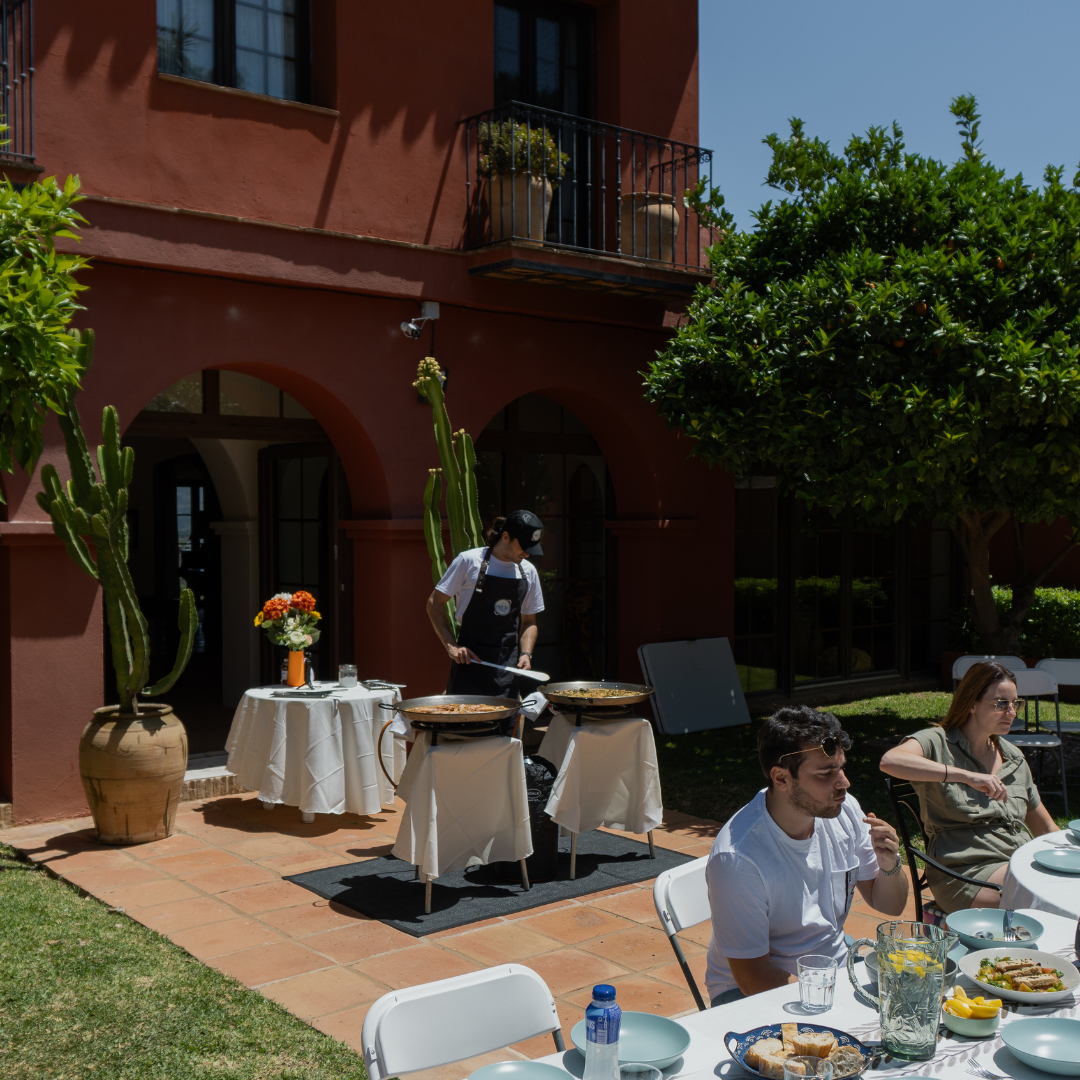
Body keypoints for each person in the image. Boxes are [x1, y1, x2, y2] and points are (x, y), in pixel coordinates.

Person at [705, 706, 908, 1005]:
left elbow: (890, 904)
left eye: (841, 768)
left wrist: (890, 863)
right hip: (754, 993)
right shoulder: (737, 859)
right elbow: (753, 978)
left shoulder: (845, 809)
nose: (844, 783)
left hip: (830, 971)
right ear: (781, 779)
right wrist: (834, 1001)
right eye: (826, 774)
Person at [878, 660, 1060, 913]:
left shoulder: (1013, 758)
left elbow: (1046, 827)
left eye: (1016, 703)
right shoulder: (938, 742)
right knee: (1042, 896)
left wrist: (1067, 856)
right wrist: (965, 776)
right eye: (1001, 704)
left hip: (1014, 863)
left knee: (1063, 887)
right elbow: (890, 761)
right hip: (964, 873)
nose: (1012, 712)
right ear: (972, 703)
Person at [426, 510, 545, 707]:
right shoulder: (469, 561)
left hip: (507, 672)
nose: (527, 553)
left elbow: (529, 622)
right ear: (506, 537)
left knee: (504, 735)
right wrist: (451, 646)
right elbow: (433, 604)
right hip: (469, 668)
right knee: (463, 733)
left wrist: (526, 653)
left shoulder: (528, 572)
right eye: (523, 546)